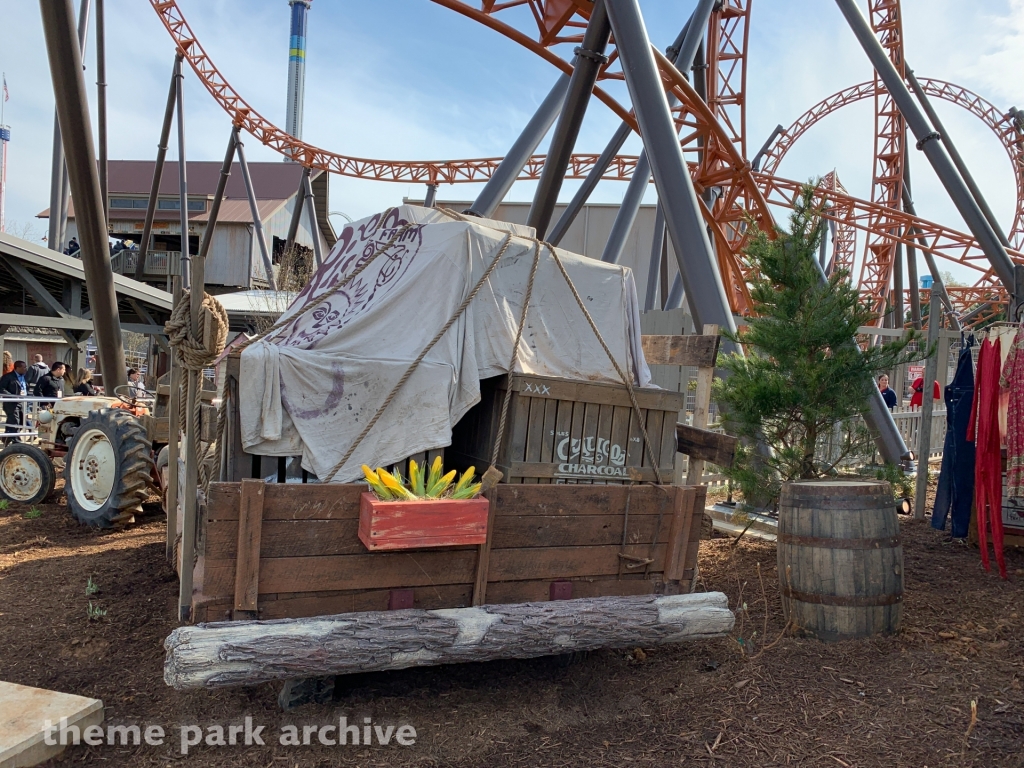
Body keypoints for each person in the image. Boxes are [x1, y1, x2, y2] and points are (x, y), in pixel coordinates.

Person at [1, 360, 28, 442]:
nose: (25, 369)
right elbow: (1, 389)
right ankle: (16, 442)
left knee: (21, 421)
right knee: (15, 421)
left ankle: (6, 437)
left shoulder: (24, 376)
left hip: (22, 402)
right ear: (17, 368)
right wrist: (12, 396)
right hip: (11, 403)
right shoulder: (8, 377)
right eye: (24, 367)